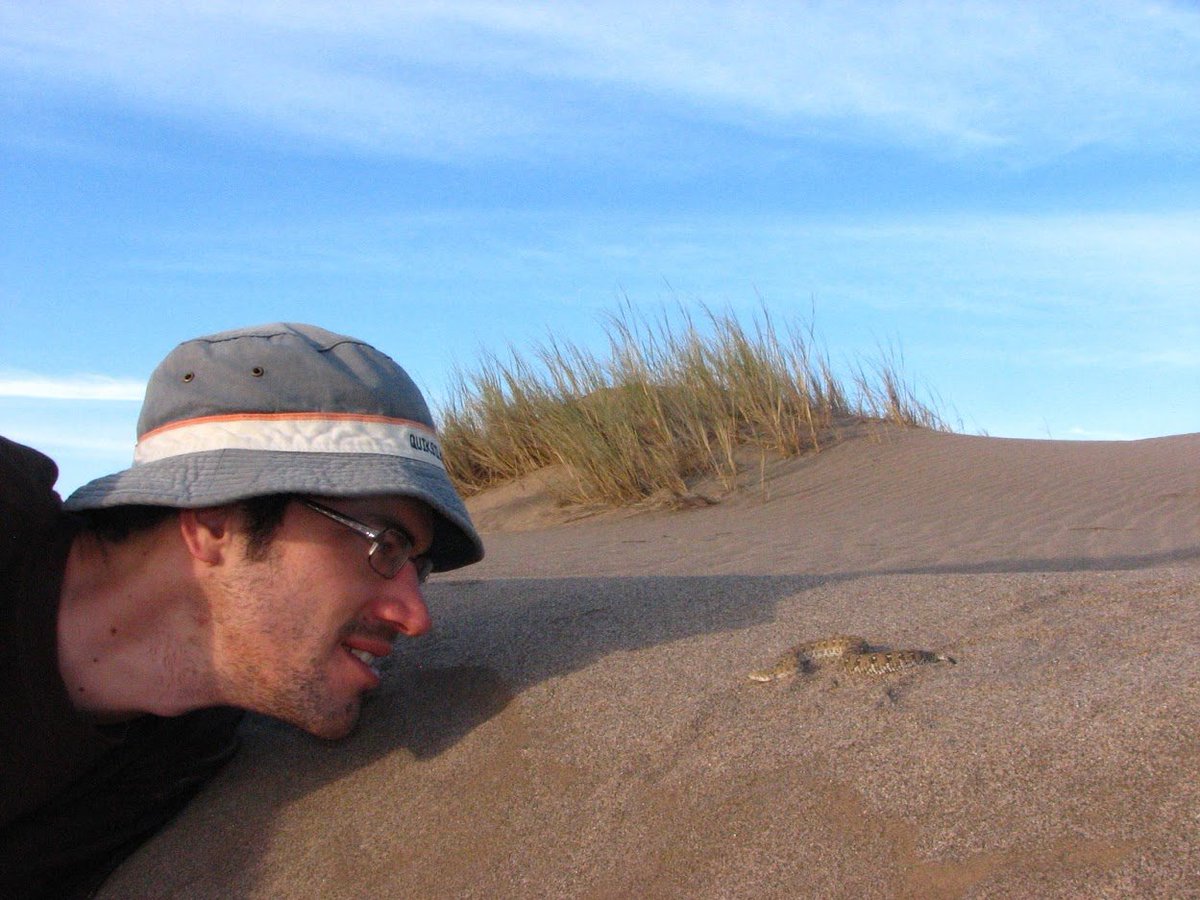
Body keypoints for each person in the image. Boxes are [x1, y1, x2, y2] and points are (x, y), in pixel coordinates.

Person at [0, 323, 484, 897]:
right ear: (213, 518)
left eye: (419, 569)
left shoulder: (180, 757)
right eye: (385, 546)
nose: (416, 617)